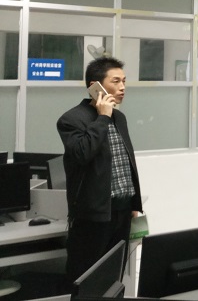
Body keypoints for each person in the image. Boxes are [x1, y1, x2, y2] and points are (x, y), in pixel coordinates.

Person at [57, 56, 142, 284]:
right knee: (87, 279)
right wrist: (103, 117)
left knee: (114, 278)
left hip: (123, 211)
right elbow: (82, 154)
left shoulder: (119, 117)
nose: (122, 87)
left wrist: (133, 202)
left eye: (124, 81)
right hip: (93, 216)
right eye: (116, 81)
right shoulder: (71, 119)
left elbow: (124, 160)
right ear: (95, 86)